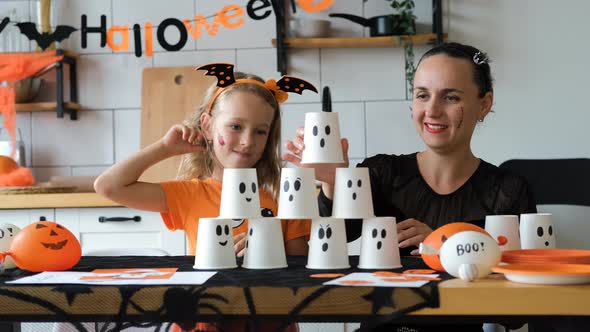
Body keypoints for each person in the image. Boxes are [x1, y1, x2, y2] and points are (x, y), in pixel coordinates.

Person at [283, 42, 537, 332]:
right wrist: (334, 182)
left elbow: (517, 313)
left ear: (484, 103)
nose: (432, 110)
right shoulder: (381, 173)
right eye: (422, 95)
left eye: (450, 97)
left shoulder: (508, 190)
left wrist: (447, 248)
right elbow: (333, 239)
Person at [95, 69, 310, 332]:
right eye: (236, 126)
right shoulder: (191, 194)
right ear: (207, 126)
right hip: (203, 322)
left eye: (260, 131)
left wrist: (269, 249)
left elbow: (302, 270)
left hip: (270, 322)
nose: (247, 141)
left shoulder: (284, 196)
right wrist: (164, 148)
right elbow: (108, 186)